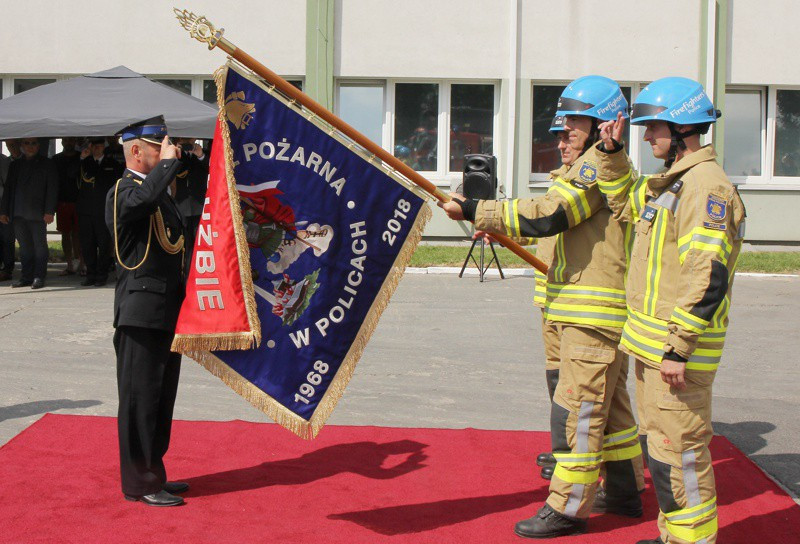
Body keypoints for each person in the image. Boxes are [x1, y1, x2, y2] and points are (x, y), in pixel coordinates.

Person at [442, 76, 644, 539]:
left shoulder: (597, 171)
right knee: (608, 410)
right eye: (558, 130)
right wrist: (498, 225)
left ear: (600, 125)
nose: (561, 138)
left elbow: (551, 214)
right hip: (580, 312)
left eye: (570, 127)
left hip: (589, 317)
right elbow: (557, 231)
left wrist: (478, 210)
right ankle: (625, 490)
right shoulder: (590, 170)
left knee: (576, 412)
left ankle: (567, 509)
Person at [596, 78, 746, 544]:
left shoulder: (705, 188)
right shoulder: (674, 184)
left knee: (680, 449)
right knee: (663, 447)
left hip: (676, 352)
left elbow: (708, 275)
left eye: (652, 130)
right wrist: (613, 153)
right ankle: (675, 537)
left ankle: (692, 541)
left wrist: (678, 348)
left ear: (681, 128)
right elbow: (623, 201)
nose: (646, 138)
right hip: (655, 347)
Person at [106, 115, 188, 507]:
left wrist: (174, 164)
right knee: (139, 400)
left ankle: (154, 471)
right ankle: (138, 482)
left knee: (160, 398)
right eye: (160, 146)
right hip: (140, 311)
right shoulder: (123, 190)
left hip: (166, 309)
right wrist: (169, 166)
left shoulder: (160, 192)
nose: (167, 150)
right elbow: (141, 203)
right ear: (136, 151)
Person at [0, 138, 58, 289]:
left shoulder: (47, 163)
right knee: (24, 246)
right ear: (21, 146)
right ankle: (26, 277)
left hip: (38, 213)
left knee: (39, 246)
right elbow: (8, 190)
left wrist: (49, 211)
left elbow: (52, 189)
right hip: (18, 212)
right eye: (26, 143)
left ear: (38, 146)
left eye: (33, 143)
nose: (30, 147)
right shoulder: (15, 165)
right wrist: (4, 211)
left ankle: (39, 276)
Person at [78, 137, 122, 286]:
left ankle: (101, 275)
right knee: (87, 244)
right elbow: (73, 175)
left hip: (103, 210)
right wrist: (83, 158)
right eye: (94, 145)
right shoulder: (85, 162)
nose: (97, 148)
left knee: (104, 244)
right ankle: (90, 274)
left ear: (104, 146)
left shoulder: (112, 164)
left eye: (99, 145)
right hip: (86, 210)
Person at [173, 138, 209, 254]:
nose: (188, 144)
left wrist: (200, 155)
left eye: (190, 142)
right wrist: (178, 152)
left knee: (200, 242)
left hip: (199, 205)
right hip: (181, 205)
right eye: (184, 142)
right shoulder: (177, 156)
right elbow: (172, 170)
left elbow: (211, 168)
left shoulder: (202, 155)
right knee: (185, 245)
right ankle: (186, 269)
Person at [53, 137, 82, 275]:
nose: (69, 143)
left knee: (79, 234)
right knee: (65, 234)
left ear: (75, 142)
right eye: (66, 140)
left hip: (78, 201)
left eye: (71, 140)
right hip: (62, 201)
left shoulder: (81, 158)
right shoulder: (55, 159)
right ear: (62, 142)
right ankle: (70, 264)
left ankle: (82, 263)